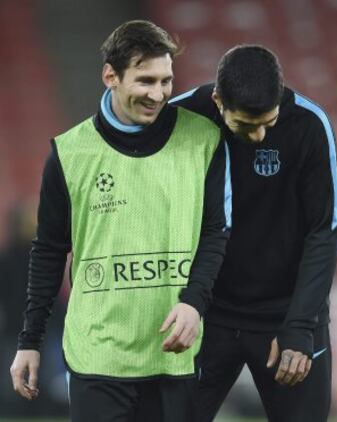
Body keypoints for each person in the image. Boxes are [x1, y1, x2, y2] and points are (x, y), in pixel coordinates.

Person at [10, 20, 231, 422]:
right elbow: (48, 251)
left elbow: (216, 232)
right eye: (145, 81)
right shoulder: (70, 153)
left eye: (166, 81)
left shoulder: (202, 140)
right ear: (110, 76)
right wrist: (30, 341)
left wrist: (194, 304)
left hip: (174, 356)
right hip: (99, 356)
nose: (159, 94)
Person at [172, 45, 337, 422]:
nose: (261, 135)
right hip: (205, 315)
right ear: (218, 101)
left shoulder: (310, 125)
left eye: (269, 121)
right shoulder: (180, 116)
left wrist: (300, 326)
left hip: (285, 318)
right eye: (246, 126)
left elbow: (323, 233)